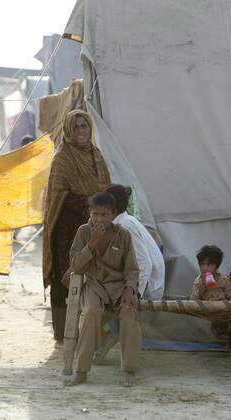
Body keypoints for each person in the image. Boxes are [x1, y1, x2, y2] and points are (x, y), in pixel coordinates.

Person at [42, 110, 111, 348]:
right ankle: (62, 335)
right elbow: (57, 196)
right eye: (78, 127)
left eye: (86, 126)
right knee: (66, 277)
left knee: (92, 277)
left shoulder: (97, 155)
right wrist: (86, 201)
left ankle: (90, 330)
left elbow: (106, 189)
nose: (83, 131)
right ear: (69, 130)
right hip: (67, 229)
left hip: (95, 228)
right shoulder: (62, 158)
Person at [66, 192, 141, 387]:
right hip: (94, 285)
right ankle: (81, 370)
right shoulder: (83, 232)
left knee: (129, 313)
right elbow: (76, 266)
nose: (99, 219)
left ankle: (129, 369)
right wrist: (93, 243)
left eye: (105, 215)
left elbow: (132, 268)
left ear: (114, 214)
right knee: (91, 313)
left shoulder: (123, 235)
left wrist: (130, 289)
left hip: (118, 287)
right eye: (95, 214)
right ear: (90, 214)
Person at [105, 184, 165, 299]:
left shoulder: (125, 225)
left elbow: (145, 263)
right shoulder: (123, 222)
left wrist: (134, 295)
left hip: (146, 290)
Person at [190, 245, 231, 341]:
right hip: (207, 308)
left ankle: (227, 333)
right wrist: (202, 285)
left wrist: (228, 302)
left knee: (227, 319)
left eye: (209, 264)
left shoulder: (223, 279)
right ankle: (219, 332)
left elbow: (230, 295)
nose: (205, 268)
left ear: (216, 266)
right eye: (202, 264)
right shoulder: (198, 280)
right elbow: (194, 298)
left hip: (223, 308)